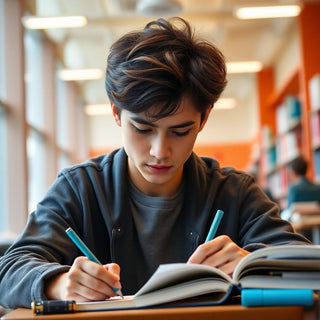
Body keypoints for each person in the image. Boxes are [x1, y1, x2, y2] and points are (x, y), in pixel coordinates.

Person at [0, 17, 310, 309]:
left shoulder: (234, 191)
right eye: (143, 129)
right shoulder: (80, 188)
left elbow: (304, 265)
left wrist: (251, 264)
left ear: (203, 119)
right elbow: (9, 270)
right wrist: (59, 282)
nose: (160, 151)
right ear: (116, 113)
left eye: (180, 131)